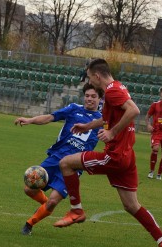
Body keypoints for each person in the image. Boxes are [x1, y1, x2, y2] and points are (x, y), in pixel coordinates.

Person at [57, 58, 162, 247]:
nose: (89, 82)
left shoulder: (112, 90)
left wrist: (112, 133)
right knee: (131, 205)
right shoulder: (117, 88)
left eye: (89, 77)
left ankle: (76, 209)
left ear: (97, 75)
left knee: (65, 163)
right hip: (126, 156)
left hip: (114, 156)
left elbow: (134, 110)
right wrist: (88, 126)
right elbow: (107, 117)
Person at [15, 84, 103, 236]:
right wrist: (30, 120)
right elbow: (50, 117)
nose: (89, 99)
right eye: (87, 95)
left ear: (100, 99)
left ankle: (29, 224)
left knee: (53, 201)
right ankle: (45, 204)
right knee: (29, 188)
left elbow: (112, 135)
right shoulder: (74, 108)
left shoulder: (102, 120)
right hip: (55, 158)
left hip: (74, 166)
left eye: (93, 96)